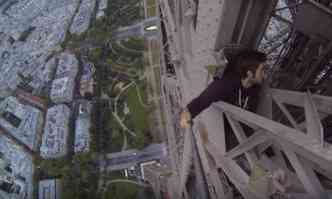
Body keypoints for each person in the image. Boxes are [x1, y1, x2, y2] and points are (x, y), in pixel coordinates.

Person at [180, 49, 267, 128]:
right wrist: (185, 117)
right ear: (249, 73)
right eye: (262, 70)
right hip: (225, 132)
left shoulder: (256, 88)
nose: (265, 75)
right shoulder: (225, 85)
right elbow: (200, 101)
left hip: (244, 129)